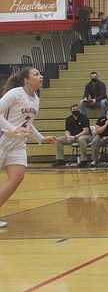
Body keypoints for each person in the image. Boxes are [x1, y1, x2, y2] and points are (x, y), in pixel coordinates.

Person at [0, 68, 57, 228]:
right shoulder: (15, 94)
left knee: (17, 177)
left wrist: (41, 138)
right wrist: (12, 128)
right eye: (36, 74)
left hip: (17, 144)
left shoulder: (36, 99)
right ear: (26, 79)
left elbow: (28, 124)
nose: (41, 76)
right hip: (2, 138)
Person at [53, 103, 91, 167]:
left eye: (77, 109)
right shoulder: (68, 119)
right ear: (71, 111)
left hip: (85, 136)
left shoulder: (84, 118)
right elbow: (67, 131)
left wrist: (75, 137)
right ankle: (60, 160)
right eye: (74, 109)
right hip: (73, 137)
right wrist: (68, 137)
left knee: (81, 139)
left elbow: (86, 131)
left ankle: (83, 160)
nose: (76, 110)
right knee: (58, 140)